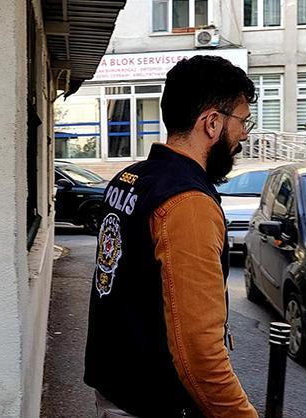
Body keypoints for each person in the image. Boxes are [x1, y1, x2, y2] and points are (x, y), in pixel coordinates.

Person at [84, 55, 258, 417]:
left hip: (117, 388)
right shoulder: (187, 203)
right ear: (212, 122)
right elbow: (199, 350)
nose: (244, 134)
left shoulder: (130, 179)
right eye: (242, 121)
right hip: (155, 402)